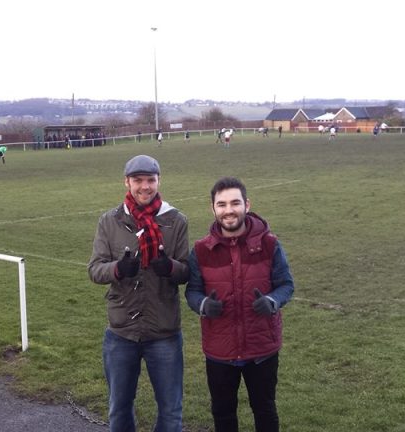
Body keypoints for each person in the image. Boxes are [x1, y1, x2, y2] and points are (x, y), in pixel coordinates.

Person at [88, 154, 190, 432]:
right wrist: (118, 269)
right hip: (121, 332)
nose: (145, 187)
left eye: (150, 180)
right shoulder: (109, 221)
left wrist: (170, 267)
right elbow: (95, 270)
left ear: (159, 181)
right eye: (138, 180)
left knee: (171, 411)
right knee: (119, 408)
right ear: (127, 182)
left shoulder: (176, 220)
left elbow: (187, 272)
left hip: (164, 332)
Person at [185, 176, 294, 432]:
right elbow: (192, 291)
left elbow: (286, 285)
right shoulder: (201, 250)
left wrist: (272, 301)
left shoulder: (269, 244)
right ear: (213, 209)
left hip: (261, 348)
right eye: (221, 204)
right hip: (219, 350)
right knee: (223, 414)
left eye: (235, 203)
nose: (229, 210)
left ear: (247, 204)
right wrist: (203, 305)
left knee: (265, 410)